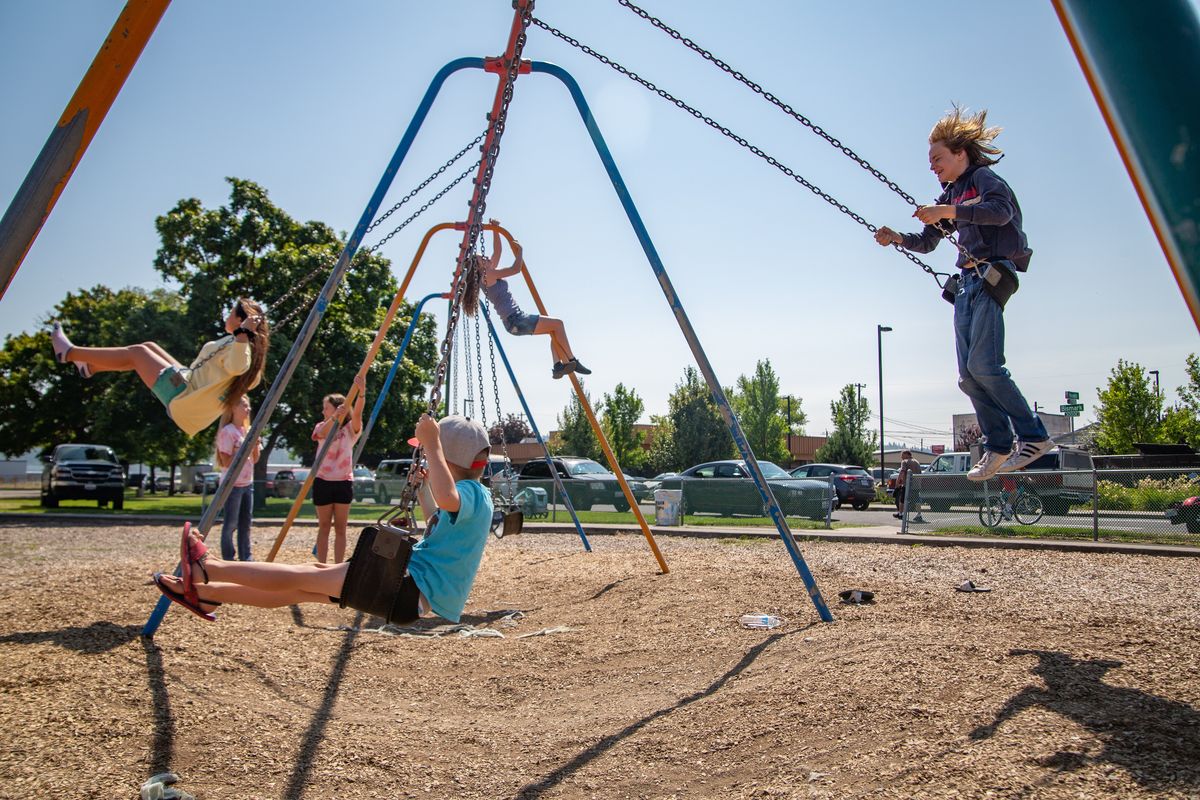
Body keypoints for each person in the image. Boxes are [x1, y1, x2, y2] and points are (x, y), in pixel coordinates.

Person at [153, 414, 494, 626]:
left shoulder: (471, 494)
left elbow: (448, 497)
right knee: (301, 586)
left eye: (429, 451)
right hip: (406, 596)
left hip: (405, 589)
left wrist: (432, 443)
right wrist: (422, 490)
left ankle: (209, 569)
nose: (424, 453)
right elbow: (439, 520)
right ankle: (208, 593)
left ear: (447, 458)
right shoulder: (476, 500)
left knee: (302, 574)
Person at [873, 106, 1051, 481]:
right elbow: (928, 241)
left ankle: (1034, 435)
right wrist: (897, 238)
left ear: (960, 154)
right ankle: (998, 444)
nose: (932, 167)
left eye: (937, 158)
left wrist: (949, 209)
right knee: (968, 377)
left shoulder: (984, 179)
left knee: (986, 366)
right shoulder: (951, 194)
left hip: (992, 275)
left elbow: (1001, 212)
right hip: (967, 285)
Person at [50, 299, 270, 437]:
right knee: (149, 347)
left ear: (241, 321)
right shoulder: (242, 349)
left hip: (183, 396)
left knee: (136, 354)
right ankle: (90, 367)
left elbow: (238, 366)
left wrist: (242, 336)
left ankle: (69, 353)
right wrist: (242, 338)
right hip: (187, 389)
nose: (227, 316)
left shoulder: (240, 347)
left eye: (232, 313)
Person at [462, 219, 591, 380]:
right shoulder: (488, 275)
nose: (488, 259)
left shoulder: (487, 275)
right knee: (558, 324)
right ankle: (571, 360)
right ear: (479, 267)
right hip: (516, 319)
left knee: (555, 329)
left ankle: (559, 366)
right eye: (484, 259)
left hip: (513, 322)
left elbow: (497, 252)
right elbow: (515, 269)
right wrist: (520, 251)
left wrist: (495, 229)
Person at [311, 375, 366, 564]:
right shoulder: (322, 426)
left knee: (340, 528)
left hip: (343, 481)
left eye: (326, 407)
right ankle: (321, 564)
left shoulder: (350, 430)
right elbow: (321, 433)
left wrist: (361, 394)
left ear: (338, 407)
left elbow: (357, 415)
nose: (323, 411)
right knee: (324, 526)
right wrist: (334, 416)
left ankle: (337, 564)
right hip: (323, 481)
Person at [214, 395, 260, 561]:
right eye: (244, 406)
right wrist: (240, 448)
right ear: (233, 408)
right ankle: (228, 557)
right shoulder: (227, 432)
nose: (248, 409)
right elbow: (226, 461)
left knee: (245, 523)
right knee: (231, 523)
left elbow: (255, 459)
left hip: (248, 483)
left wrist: (254, 445)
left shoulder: (248, 430)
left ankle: (246, 556)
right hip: (232, 484)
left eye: (248, 406)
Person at [894, 450, 923, 522]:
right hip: (916, 485)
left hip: (907, 484)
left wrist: (897, 482)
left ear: (907, 454)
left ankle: (901, 513)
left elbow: (902, 471)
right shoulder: (917, 462)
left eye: (902, 455)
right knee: (917, 500)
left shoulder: (904, 461)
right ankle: (919, 514)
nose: (901, 457)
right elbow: (920, 473)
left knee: (902, 499)